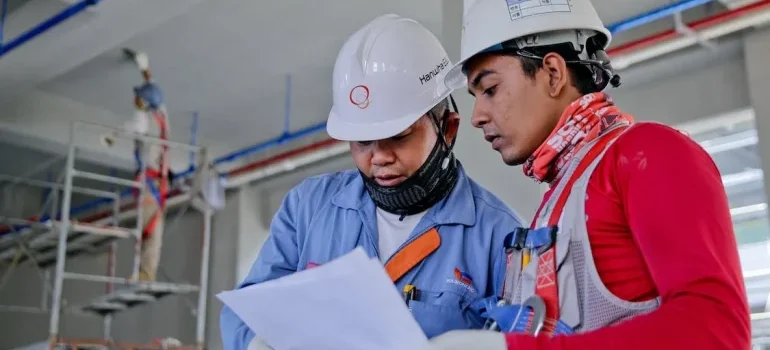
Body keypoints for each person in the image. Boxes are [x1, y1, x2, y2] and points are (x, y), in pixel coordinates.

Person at [415, 0, 752, 348]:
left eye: (490, 89)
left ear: (553, 73)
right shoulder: (561, 198)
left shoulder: (649, 153)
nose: (477, 116)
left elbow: (717, 331)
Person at [219, 14, 525, 350]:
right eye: (362, 141)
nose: (378, 157)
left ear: (448, 129)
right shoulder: (307, 209)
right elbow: (247, 308)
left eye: (397, 137)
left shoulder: (502, 237)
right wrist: (254, 342)